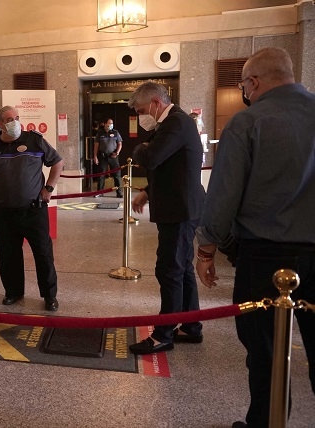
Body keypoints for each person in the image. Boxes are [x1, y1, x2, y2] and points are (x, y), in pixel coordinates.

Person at [195, 47, 315, 428]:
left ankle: (267, 422)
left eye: (244, 83)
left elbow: (224, 194)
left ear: (253, 82)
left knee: (265, 352)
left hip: (266, 256)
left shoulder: (247, 122)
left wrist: (206, 248)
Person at [127, 82, 206, 355]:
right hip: (180, 206)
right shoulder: (175, 123)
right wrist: (147, 192)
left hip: (180, 210)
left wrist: (138, 149)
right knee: (182, 268)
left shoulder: (175, 123)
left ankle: (164, 334)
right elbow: (173, 168)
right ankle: (190, 326)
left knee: (169, 269)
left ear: (155, 103)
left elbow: (150, 158)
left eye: (140, 110)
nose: (140, 116)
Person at [0, 105, 63, 311]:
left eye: (17, 118)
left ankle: (49, 295)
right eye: (10, 119)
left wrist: (48, 188)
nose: (15, 122)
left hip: (34, 210)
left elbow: (58, 162)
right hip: (4, 212)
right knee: (8, 254)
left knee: (43, 253)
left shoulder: (34, 140)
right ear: (0, 124)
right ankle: (13, 292)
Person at [93, 118, 123, 198]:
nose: (111, 125)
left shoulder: (115, 133)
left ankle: (119, 192)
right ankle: (100, 192)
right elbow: (96, 146)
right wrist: (95, 156)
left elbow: (120, 144)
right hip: (103, 156)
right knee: (101, 175)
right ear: (105, 124)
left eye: (112, 123)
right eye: (109, 123)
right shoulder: (100, 133)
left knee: (117, 174)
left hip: (113, 156)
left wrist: (117, 152)